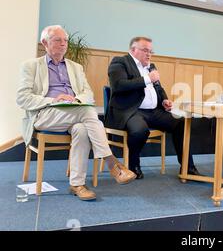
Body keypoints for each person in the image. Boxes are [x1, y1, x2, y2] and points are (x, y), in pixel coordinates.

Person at [16, 25, 136, 201]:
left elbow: (88, 93)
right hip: (45, 114)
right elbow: (22, 98)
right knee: (88, 113)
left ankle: (77, 184)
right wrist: (55, 100)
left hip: (74, 113)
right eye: (58, 40)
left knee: (82, 128)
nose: (63, 44)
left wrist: (74, 100)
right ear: (45, 43)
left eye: (65, 40)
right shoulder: (30, 66)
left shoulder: (75, 67)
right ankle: (112, 163)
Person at [105, 36, 201, 179]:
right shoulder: (120, 62)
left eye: (151, 51)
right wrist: (148, 78)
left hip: (154, 111)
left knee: (182, 123)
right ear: (133, 50)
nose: (149, 54)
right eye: (145, 50)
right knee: (139, 131)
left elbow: (158, 88)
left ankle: (188, 168)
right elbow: (119, 85)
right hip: (131, 111)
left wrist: (164, 100)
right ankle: (134, 165)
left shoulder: (151, 66)